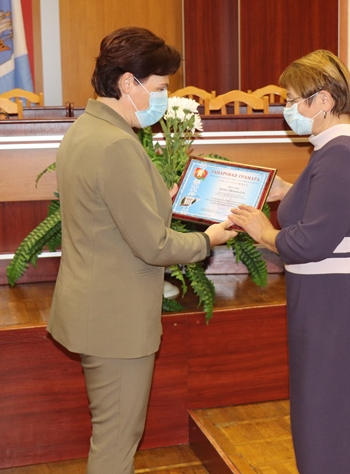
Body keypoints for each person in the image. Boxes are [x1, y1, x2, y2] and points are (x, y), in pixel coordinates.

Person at [47, 27, 237, 474]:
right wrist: (209, 239)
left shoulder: (88, 129)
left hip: (96, 306)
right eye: (160, 87)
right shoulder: (116, 144)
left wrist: (160, 200)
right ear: (128, 83)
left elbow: (107, 211)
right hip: (114, 318)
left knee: (113, 434)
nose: (165, 98)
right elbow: (154, 245)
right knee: (116, 443)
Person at [228, 50, 350, 473]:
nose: (287, 110)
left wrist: (261, 231)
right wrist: (289, 191)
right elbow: (336, 205)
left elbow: (309, 242)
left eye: (292, 100)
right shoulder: (345, 142)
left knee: (335, 405)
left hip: (340, 306)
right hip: (341, 300)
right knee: (342, 402)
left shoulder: (342, 152)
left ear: (323, 100)